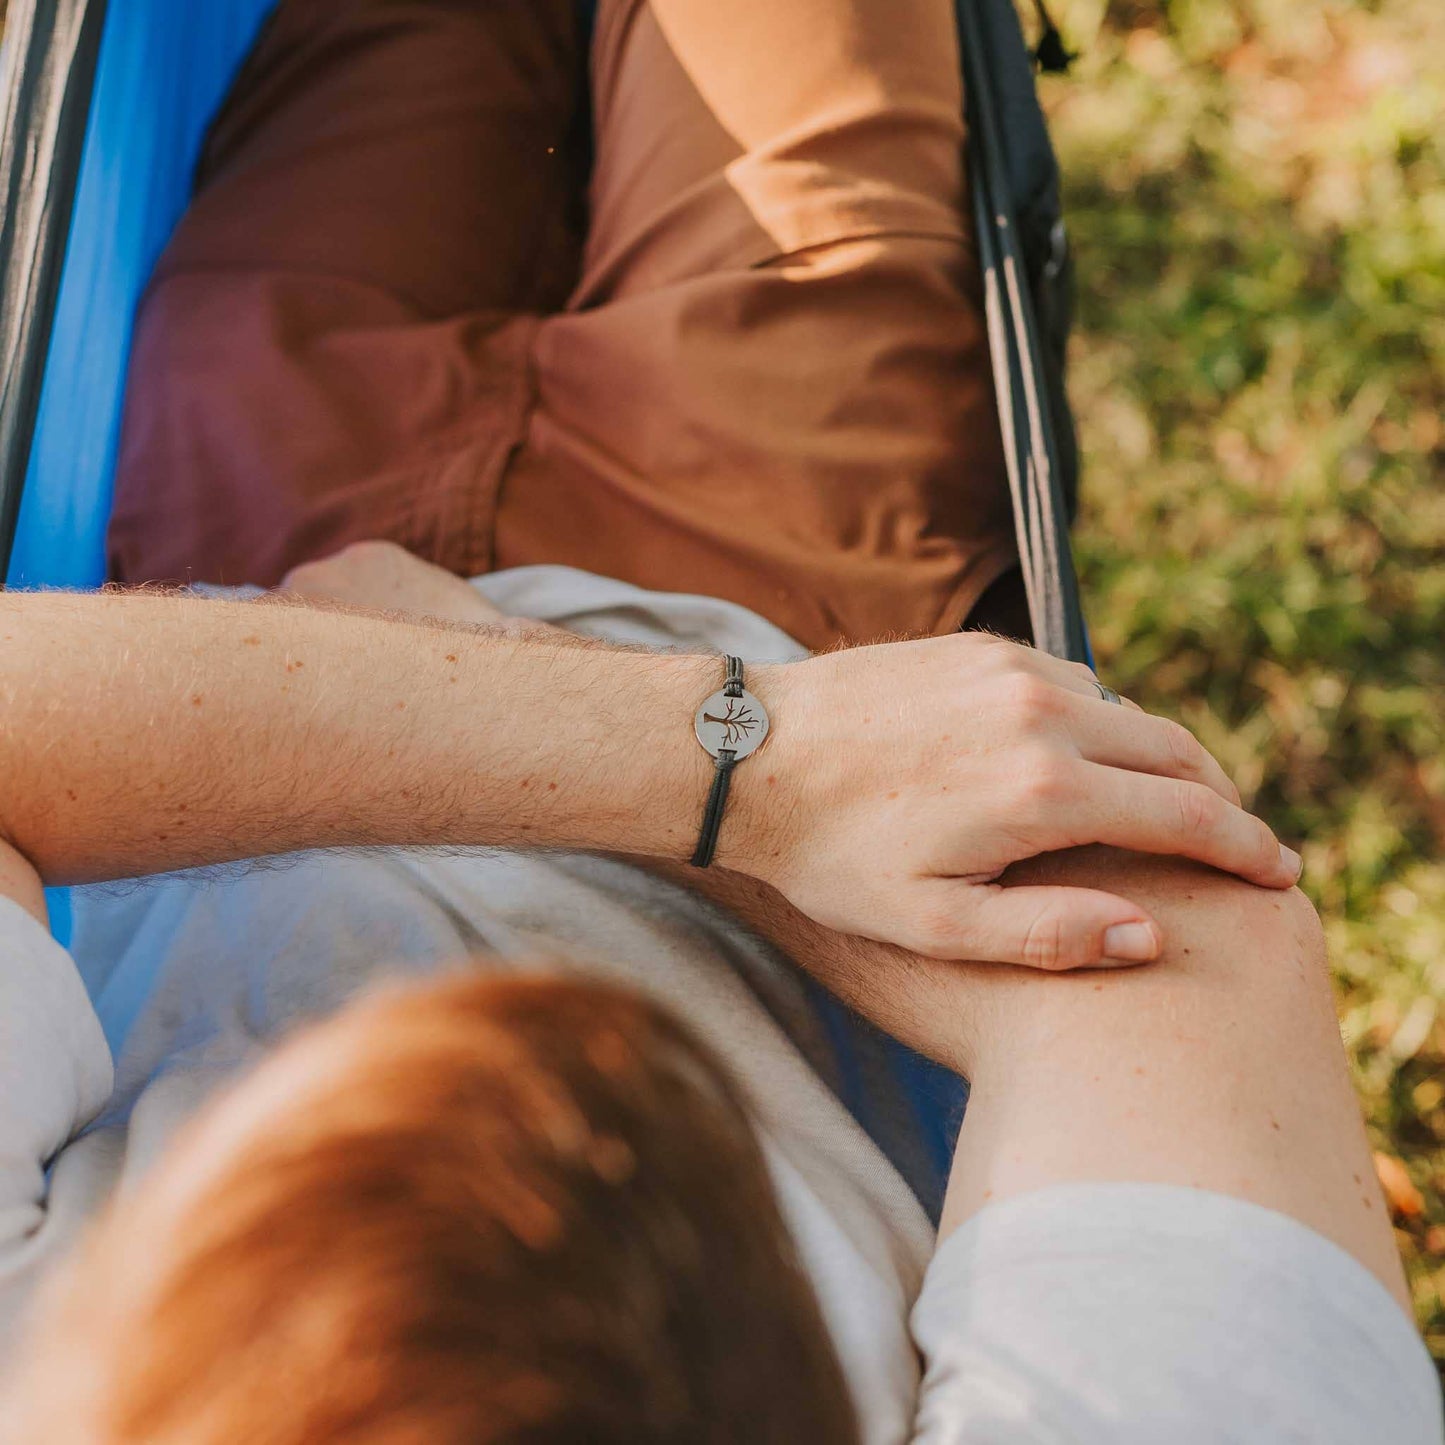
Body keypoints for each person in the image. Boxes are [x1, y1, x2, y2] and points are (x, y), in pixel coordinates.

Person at [0, 0, 1437, 1439]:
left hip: (235, 622)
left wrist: (743, 781)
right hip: (796, 598)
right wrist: (751, 776)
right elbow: (1182, 934)